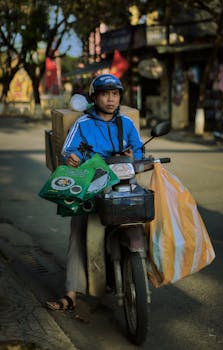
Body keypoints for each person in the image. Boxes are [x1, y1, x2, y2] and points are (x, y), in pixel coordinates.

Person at [46, 74, 143, 311]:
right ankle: (70, 293)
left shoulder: (126, 124)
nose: (111, 99)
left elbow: (140, 149)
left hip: (121, 182)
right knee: (78, 231)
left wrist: (136, 157)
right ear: (94, 98)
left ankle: (141, 273)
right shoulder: (83, 124)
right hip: (92, 185)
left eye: (115, 94)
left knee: (145, 214)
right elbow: (67, 150)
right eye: (105, 94)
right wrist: (71, 157)